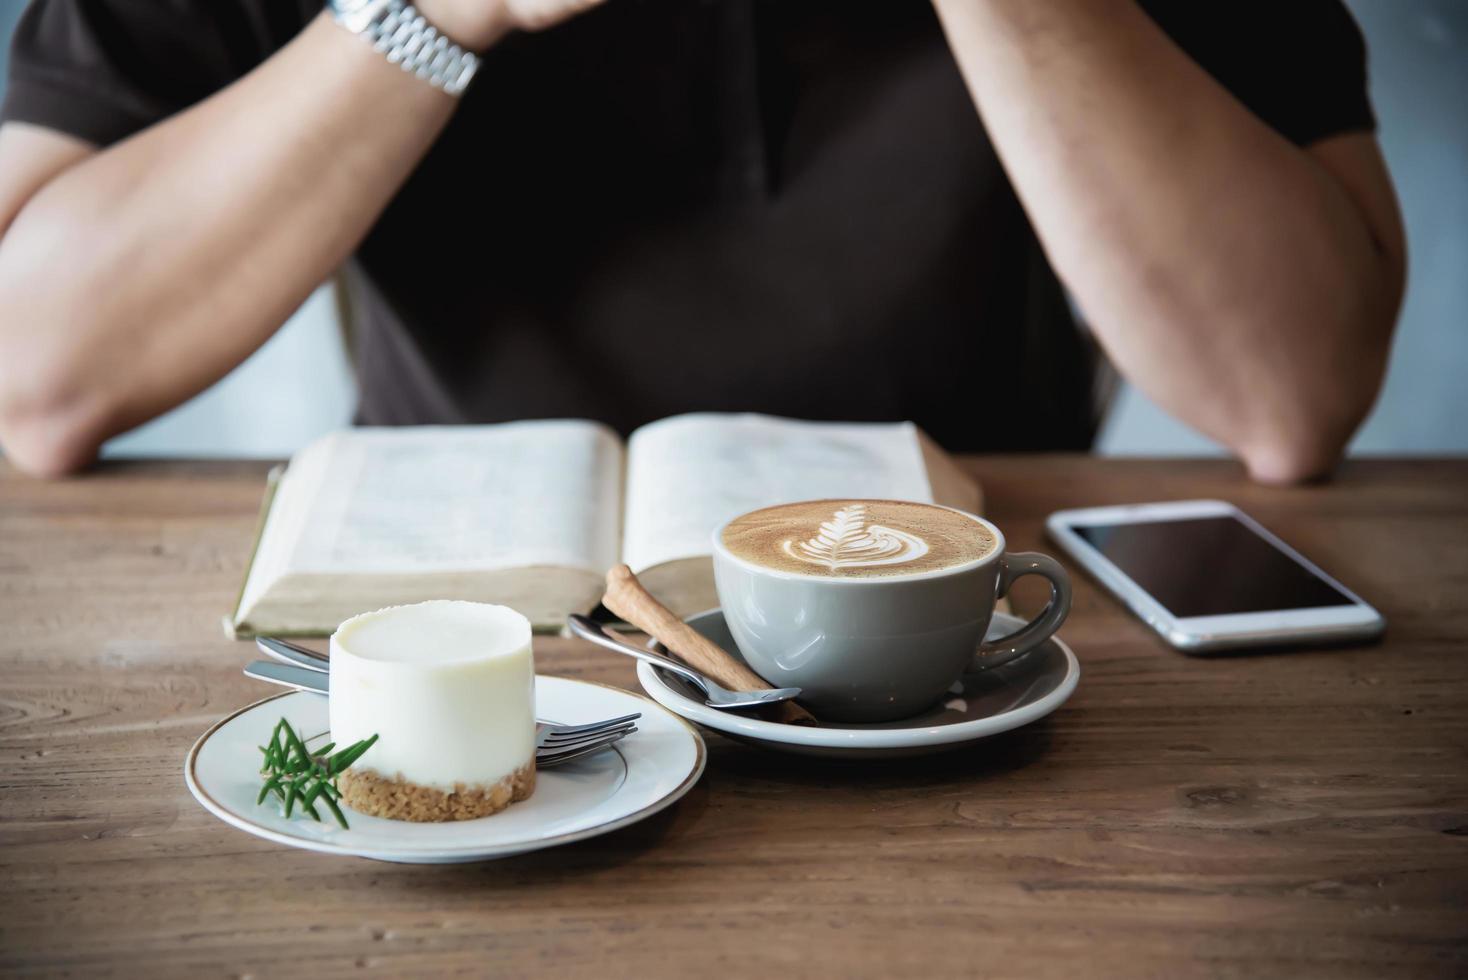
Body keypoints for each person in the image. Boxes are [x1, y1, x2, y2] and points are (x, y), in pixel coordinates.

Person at [0, 0, 1405, 483]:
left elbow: (1294, 393)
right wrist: (431, 15)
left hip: (993, 645)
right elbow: (32, 373)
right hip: (439, 637)